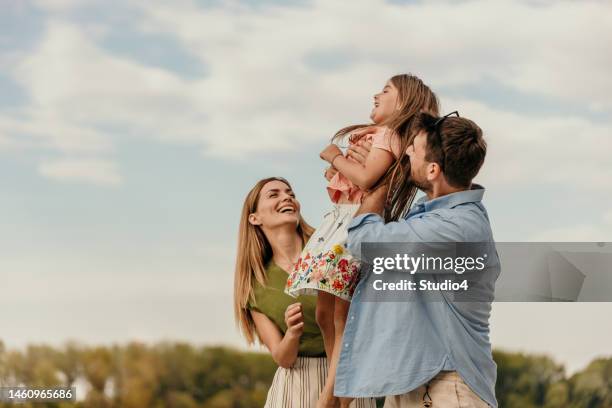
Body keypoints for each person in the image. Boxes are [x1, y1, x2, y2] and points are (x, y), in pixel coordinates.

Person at [285, 74, 439, 408]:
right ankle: (337, 388)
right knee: (326, 314)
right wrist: (343, 168)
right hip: (341, 221)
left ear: (403, 103)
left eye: (385, 91)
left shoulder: (387, 134)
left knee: (340, 318)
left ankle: (331, 399)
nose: (375, 94)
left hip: (351, 226)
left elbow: (368, 178)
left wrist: (334, 157)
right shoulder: (379, 136)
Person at [334, 112, 500, 408]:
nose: (406, 152)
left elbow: (364, 241)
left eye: (414, 149)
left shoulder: (455, 227)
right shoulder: (433, 217)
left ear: (433, 169)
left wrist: (381, 181)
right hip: (417, 383)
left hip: (447, 387)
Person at [234, 177, 376, 407]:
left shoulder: (332, 246)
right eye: (274, 195)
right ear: (255, 218)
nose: (286, 197)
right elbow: (282, 358)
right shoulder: (254, 286)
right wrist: (291, 333)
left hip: (345, 376)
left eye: (290, 193)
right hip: (295, 386)